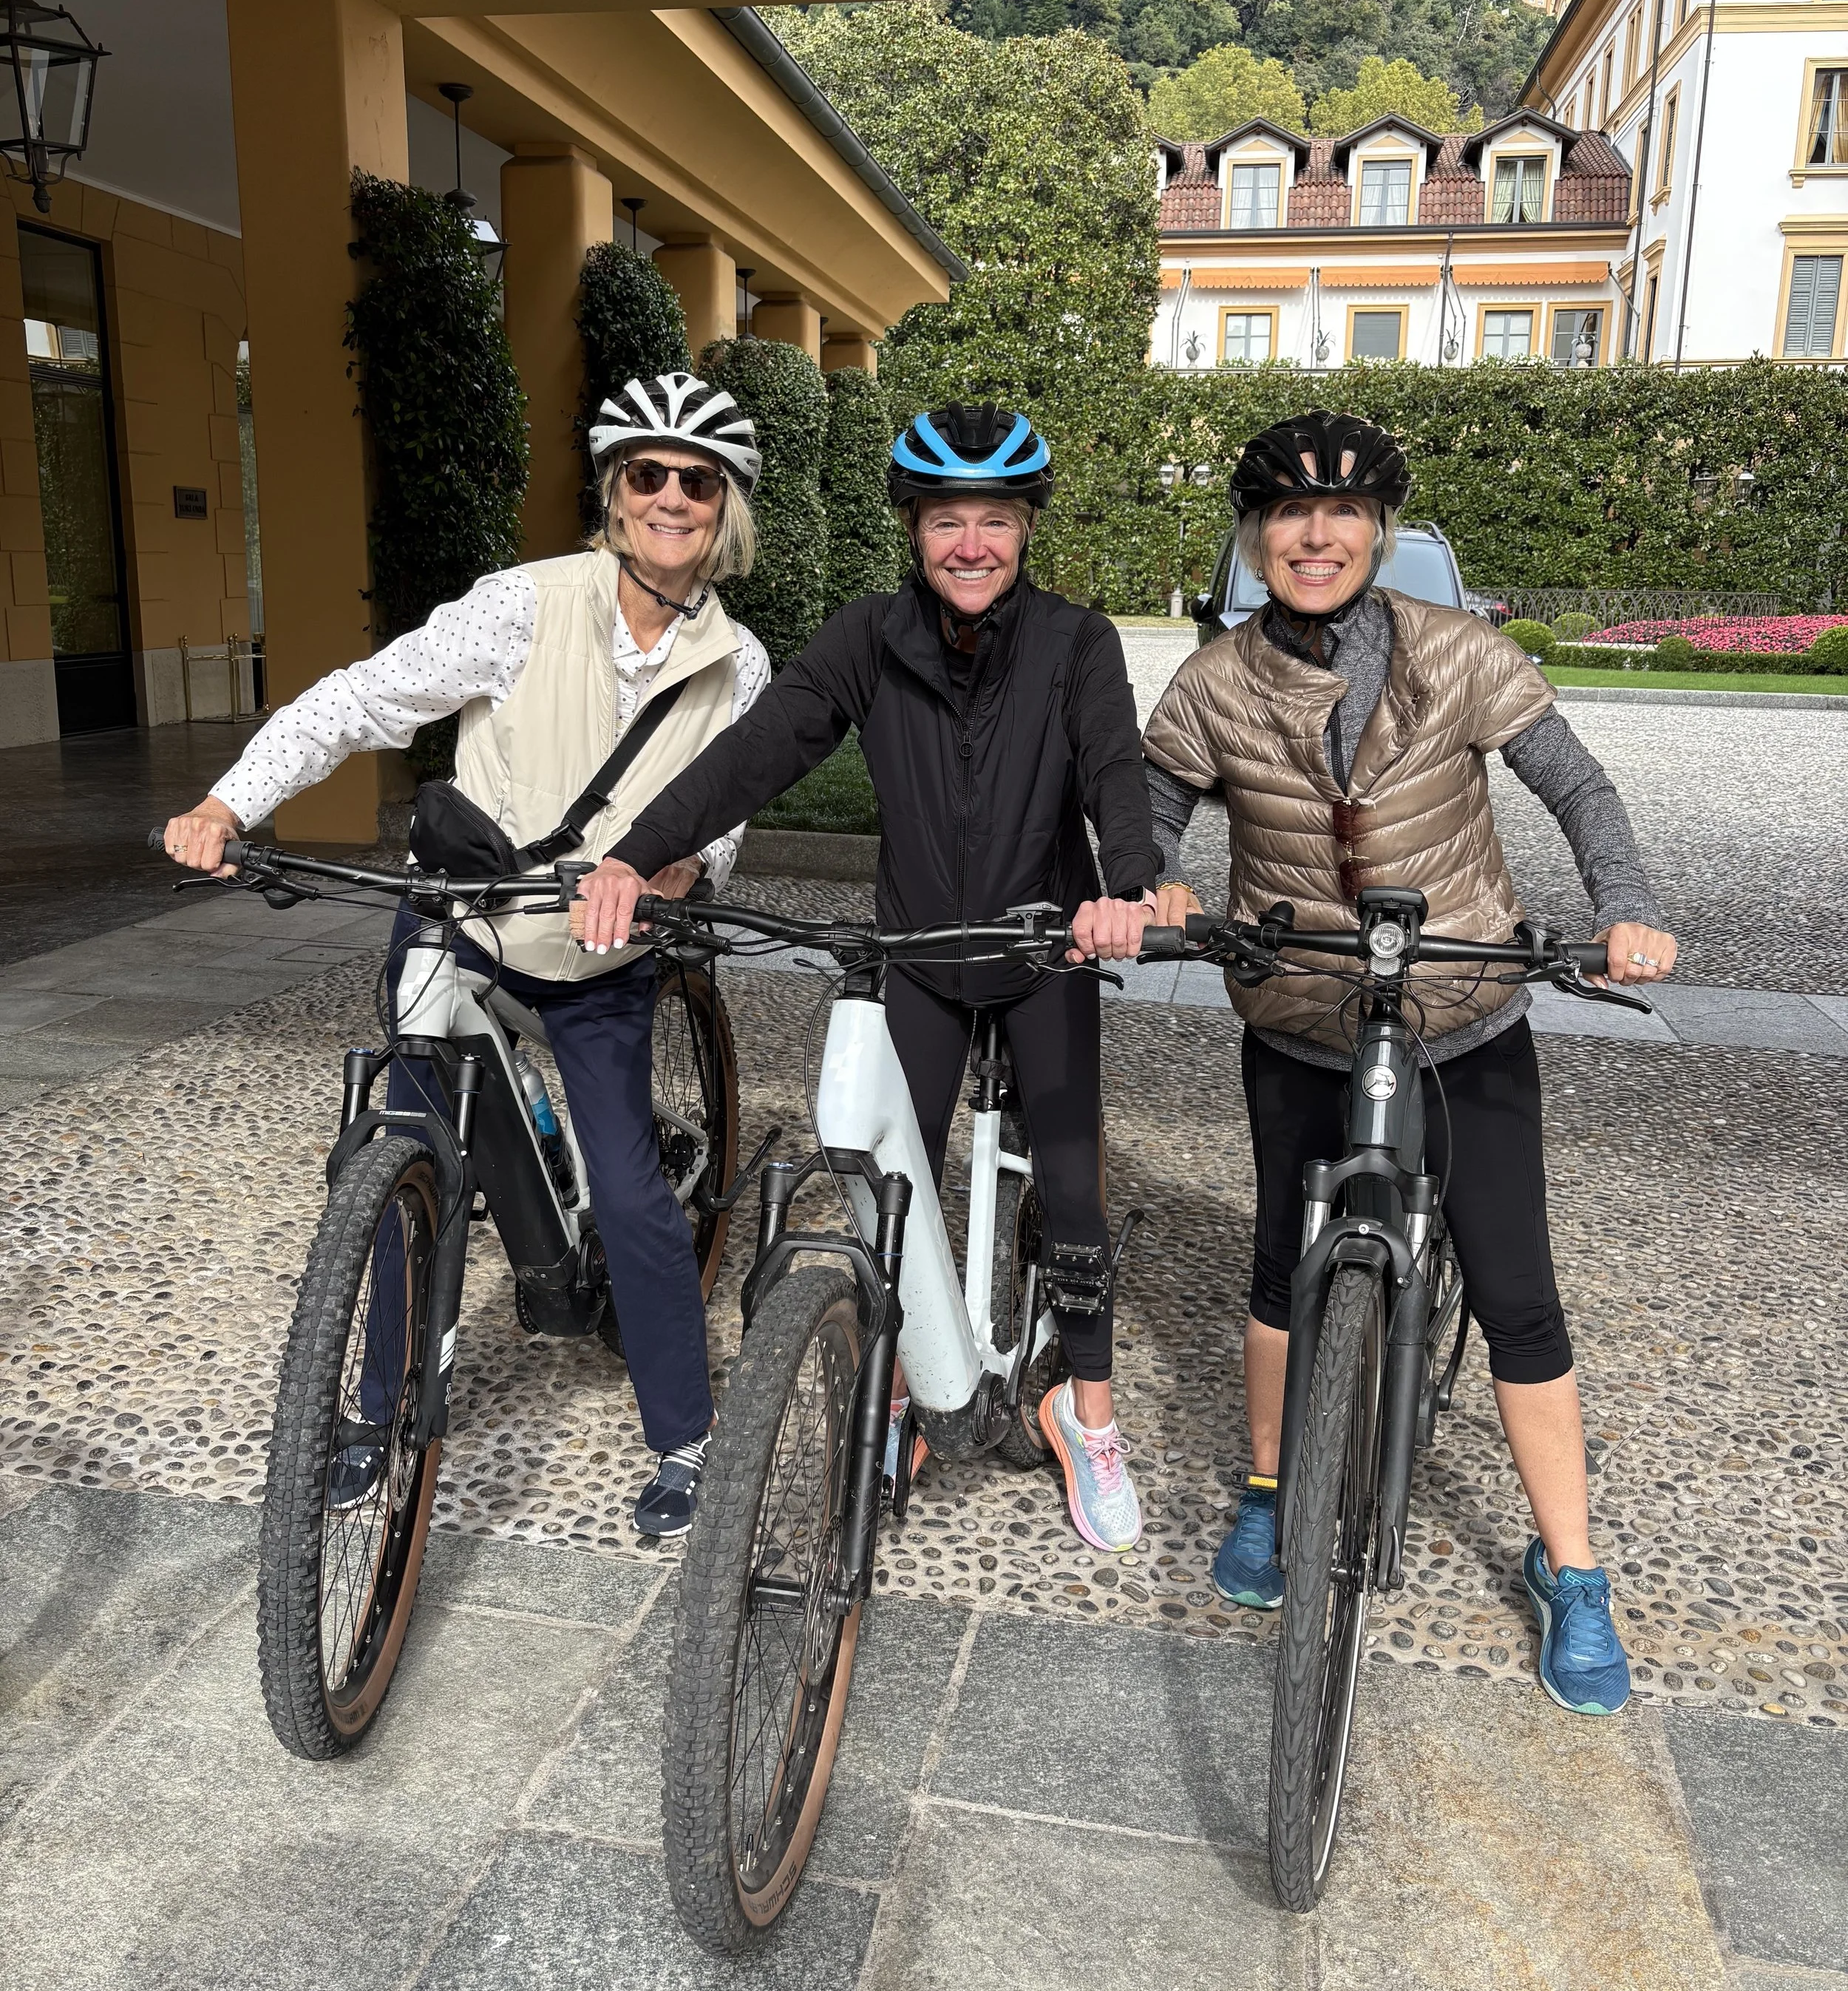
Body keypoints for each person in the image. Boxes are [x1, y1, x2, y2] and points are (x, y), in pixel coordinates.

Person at [161, 370, 772, 1538]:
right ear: (613, 492)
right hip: (466, 916)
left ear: (726, 506)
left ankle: (685, 1437)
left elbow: (727, 815)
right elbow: (361, 702)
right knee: (404, 1165)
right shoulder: (526, 606)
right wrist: (229, 805)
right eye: (648, 475)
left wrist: (678, 875)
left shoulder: (739, 667)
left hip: (605, 953)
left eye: (699, 481)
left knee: (637, 1200)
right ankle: (373, 1413)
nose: (672, 498)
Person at [1141, 410, 1676, 1715]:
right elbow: (1148, 807)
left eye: (1342, 515)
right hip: (1301, 1016)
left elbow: (1579, 787)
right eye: (1286, 515)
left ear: (1379, 532)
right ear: (1254, 536)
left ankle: (1574, 1570)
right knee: (1279, 1268)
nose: (1314, 537)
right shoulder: (1212, 684)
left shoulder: (1461, 657)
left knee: (1516, 1292)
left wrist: (1625, 907)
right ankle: (1273, 1493)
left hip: (1462, 1012)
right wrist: (1140, 883)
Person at [580, 401, 1162, 1552]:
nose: (972, 547)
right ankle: (903, 1390)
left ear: (1026, 528)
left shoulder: (1075, 642)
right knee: (888, 1191)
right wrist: (637, 852)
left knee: (1076, 1184)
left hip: (1048, 951)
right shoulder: (866, 639)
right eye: (948, 522)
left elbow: (1114, 766)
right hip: (921, 955)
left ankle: (1086, 1414)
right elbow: (758, 753)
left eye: (995, 522)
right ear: (914, 528)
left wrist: (1128, 888)